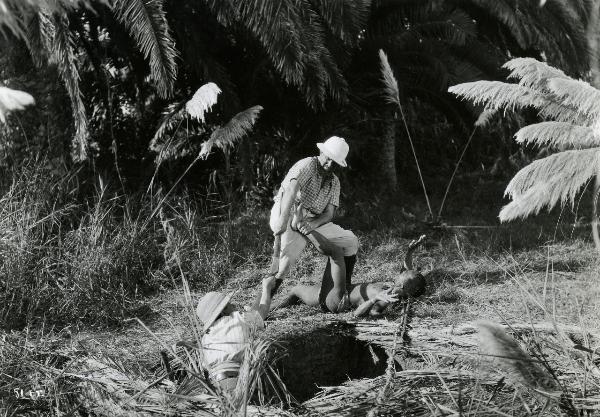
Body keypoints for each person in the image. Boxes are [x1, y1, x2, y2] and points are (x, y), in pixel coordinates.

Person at [269, 136, 359, 313]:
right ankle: (262, 306)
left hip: (312, 219)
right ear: (321, 152)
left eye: (335, 162)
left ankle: (338, 293)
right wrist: (282, 220)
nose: (330, 165)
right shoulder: (306, 165)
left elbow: (329, 213)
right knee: (283, 265)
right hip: (289, 210)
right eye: (328, 158)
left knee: (350, 241)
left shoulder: (335, 181)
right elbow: (291, 191)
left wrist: (310, 226)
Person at [272, 235, 427, 317]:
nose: (404, 271)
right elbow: (406, 269)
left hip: (338, 300)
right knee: (296, 290)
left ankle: (306, 230)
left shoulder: (387, 298)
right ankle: (266, 311)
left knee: (337, 253)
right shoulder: (399, 287)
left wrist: (374, 299)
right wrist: (410, 251)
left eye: (406, 274)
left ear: (403, 286)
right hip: (343, 287)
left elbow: (358, 314)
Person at [195, 276, 276, 393]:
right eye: (230, 304)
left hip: (213, 387)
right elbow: (261, 313)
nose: (234, 305)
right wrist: (266, 288)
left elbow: (204, 366)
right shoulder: (237, 317)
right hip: (236, 380)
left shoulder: (205, 338)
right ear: (223, 311)